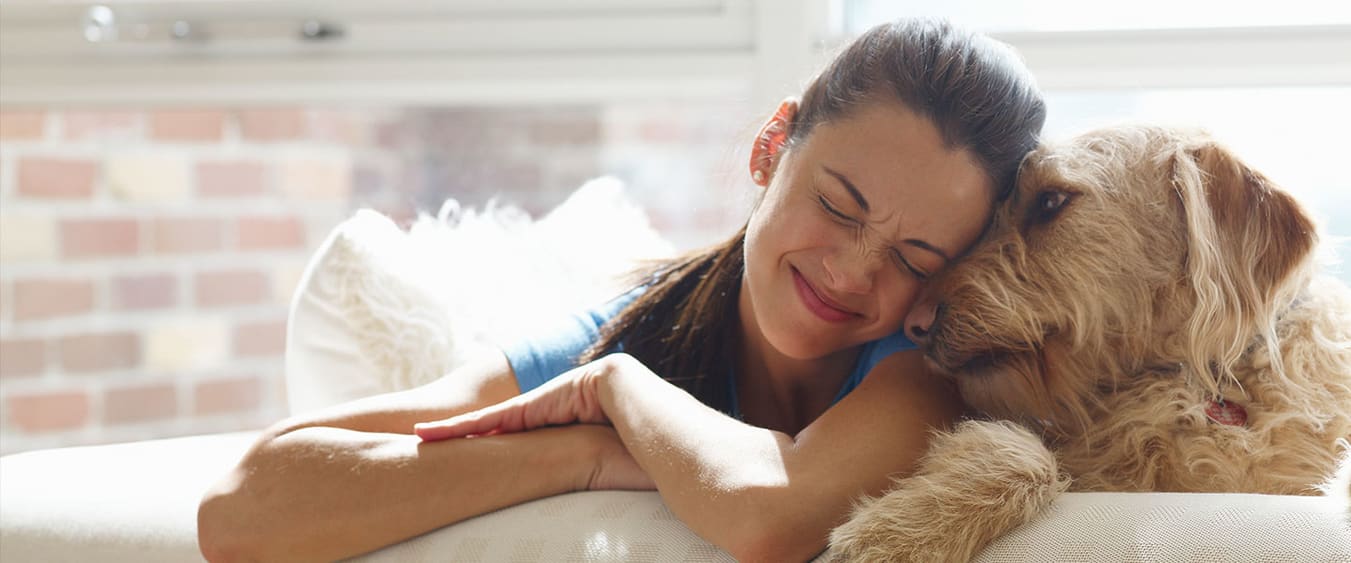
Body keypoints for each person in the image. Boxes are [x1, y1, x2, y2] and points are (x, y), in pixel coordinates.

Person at [197, 18, 1046, 562]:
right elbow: (241, 506)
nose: (855, 271)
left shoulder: (924, 368)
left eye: (915, 257)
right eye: (836, 204)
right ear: (771, 144)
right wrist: (579, 453)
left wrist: (616, 399)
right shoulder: (642, 322)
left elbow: (770, 516)